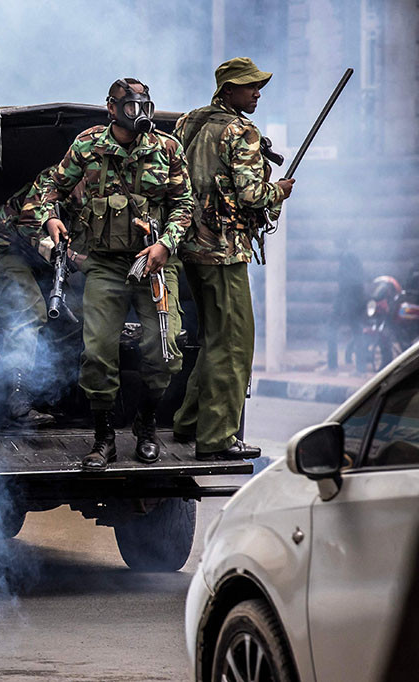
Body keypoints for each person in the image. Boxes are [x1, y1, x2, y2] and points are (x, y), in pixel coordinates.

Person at [21, 78, 194, 469]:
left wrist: (165, 243)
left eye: (144, 106)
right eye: (130, 107)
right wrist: (49, 216)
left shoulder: (167, 149)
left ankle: (146, 423)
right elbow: (49, 184)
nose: (140, 115)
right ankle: (104, 438)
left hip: (154, 264)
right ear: (112, 109)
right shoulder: (88, 144)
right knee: (98, 353)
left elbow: (185, 204)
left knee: (164, 348)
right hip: (105, 265)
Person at [171, 57, 295, 459]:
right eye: (249, 86)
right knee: (234, 346)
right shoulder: (242, 130)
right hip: (223, 253)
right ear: (227, 90)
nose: (257, 92)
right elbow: (251, 195)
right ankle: (217, 439)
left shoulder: (188, 121)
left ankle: (189, 423)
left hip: (187, 248)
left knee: (213, 341)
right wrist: (279, 191)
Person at [0, 166, 84, 427]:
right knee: (29, 307)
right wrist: (74, 258)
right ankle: (18, 397)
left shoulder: (104, 186)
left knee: (79, 315)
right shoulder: (54, 178)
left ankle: (50, 393)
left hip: (38, 263)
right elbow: (31, 228)